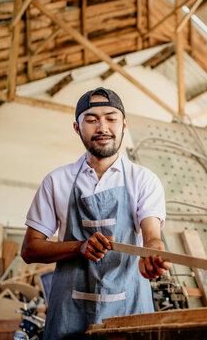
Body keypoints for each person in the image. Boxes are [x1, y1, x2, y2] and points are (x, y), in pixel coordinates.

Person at [21, 87, 171, 339]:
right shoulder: (57, 181)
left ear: (124, 124)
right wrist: (78, 247)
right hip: (69, 311)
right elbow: (29, 250)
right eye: (91, 120)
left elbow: (152, 236)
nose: (102, 127)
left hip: (129, 310)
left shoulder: (143, 180)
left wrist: (153, 253)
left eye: (111, 118)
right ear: (77, 128)